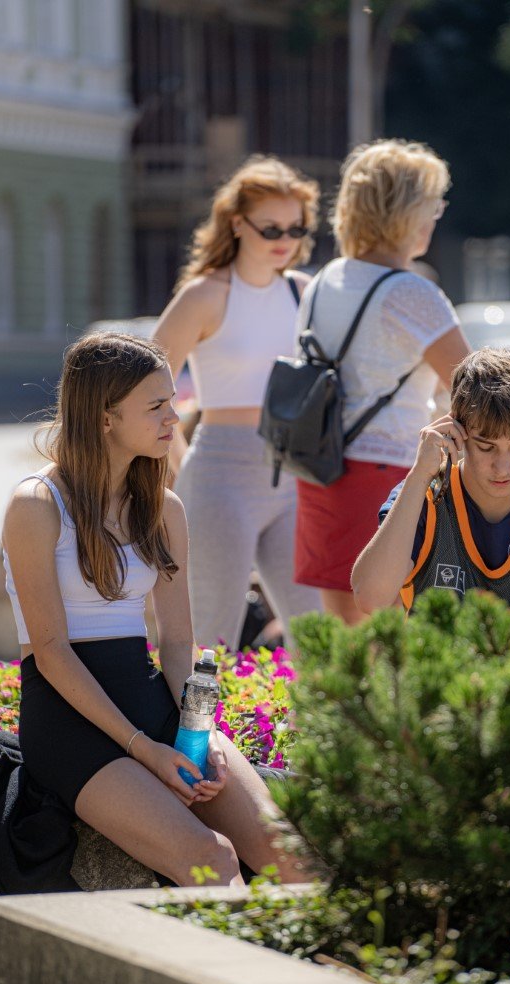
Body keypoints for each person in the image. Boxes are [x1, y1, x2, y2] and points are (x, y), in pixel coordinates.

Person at [2, 332, 311, 888]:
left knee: (289, 856)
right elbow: (50, 653)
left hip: (150, 702)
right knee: (211, 859)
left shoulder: (164, 508)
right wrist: (145, 750)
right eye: (156, 405)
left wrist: (200, 737)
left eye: (172, 400)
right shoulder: (36, 506)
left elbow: (175, 645)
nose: (176, 416)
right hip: (68, 718)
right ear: (104, 418)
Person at [293, 139, 510, 627]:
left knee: (345, 650)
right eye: (433, 205)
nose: (436, 219)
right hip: (388, 476)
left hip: (320, 476)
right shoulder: (411, 291)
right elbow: (483, 393)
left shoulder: (326, 279)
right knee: (386, 649)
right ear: (407, 211)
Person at [153, 155, 322, 649]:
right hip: (220, 473)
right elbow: (140, 383)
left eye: (296, 227)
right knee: (210, 639)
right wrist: (181, 467)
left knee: (317, 635)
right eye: (271, 228)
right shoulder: (205, 295)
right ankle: (194, 731)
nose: (285, 240)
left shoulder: (305, 292)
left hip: (292, 474)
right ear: (236, 223)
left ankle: (309, 730)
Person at [351, 347, 510, 638]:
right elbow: (370, 598)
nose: (503, 467)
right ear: (456, 428)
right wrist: (418, 476)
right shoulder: (422, 500)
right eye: (486, 446)